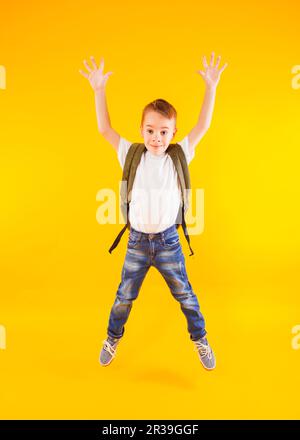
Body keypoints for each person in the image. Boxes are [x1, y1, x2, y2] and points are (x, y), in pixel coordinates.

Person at [79, 52, 228, 370]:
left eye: (163, 131)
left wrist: (211, 87)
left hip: (167, 243)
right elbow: (105, 129)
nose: (156, 137)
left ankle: (200, 340)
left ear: (173, 133)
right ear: (141, 130)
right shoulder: (131, 154)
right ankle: (112, 338)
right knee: (124, 297)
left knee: (185, 296)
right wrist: (98, 89)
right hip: (136, 243)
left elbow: (203, 125)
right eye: (150, 130)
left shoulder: (180, 155)